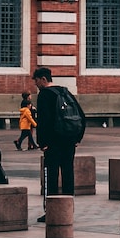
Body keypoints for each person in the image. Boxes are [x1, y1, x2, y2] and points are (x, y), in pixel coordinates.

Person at [33, 66, 83, 217]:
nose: (36, 85)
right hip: (69, 140)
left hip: (53, 143)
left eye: (36, 81)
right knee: (68, 173)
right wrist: (77, 138)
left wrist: (43, 143)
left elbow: (44, 121)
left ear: (43, 79)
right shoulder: (65, 92)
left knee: (51, 176)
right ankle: (68, 210)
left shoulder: (44, 95)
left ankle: (51, 211)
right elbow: (81, 115)